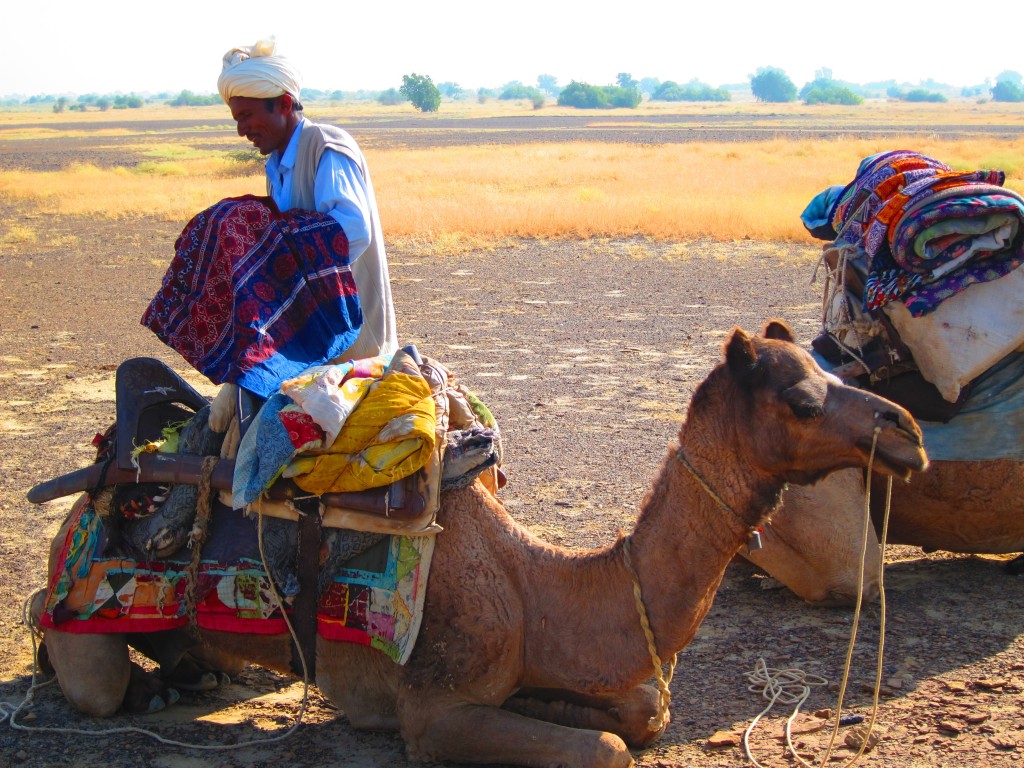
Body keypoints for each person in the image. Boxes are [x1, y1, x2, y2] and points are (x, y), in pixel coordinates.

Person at [208, 38, 398, 439]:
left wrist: (280, 269)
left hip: (349, 341)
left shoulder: (327, 147)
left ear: (282, 102)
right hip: (306, 340)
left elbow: (352, 229)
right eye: (236, 119)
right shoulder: (277, 165)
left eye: (246, 116)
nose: (241, 130)